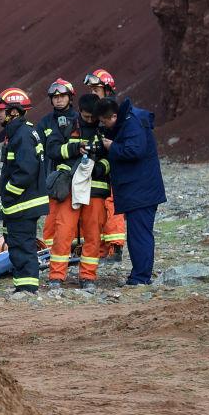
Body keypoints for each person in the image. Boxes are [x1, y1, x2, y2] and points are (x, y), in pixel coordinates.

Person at [96, 96, 166, 286]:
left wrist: (112, 147)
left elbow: (135, 150)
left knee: (139, 235)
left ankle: (140, 278)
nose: (105, 125)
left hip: (142, 191)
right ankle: (140, 275)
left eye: (104, 121)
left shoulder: (132, 123)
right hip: (140, 189)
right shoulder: (128, 121)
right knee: (139, 234)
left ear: (114, 116)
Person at [44, 93, 110, 291]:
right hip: (69, 188)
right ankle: (56, 276)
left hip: (95, 189)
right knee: (63, 232)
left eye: (93, 117)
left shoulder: (104, 129)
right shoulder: (66, 125)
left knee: (93, 234)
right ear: (79, 111)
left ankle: (88, 277)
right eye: (86, 117)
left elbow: (112, 157)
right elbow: (52, 149)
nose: (90, 120)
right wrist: (75, 148)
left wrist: (100, 167)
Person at [0, 87, 48, 296]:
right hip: (21, 203)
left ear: (13, 112)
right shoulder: (21, 132)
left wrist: (8, 192)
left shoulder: (22, 135)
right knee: (17, 243)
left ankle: (27, 288)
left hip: (23, 203)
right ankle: (23, 285)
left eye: (1, 110)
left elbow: (25, 171)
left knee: (22, 244)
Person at [84, 68, 126, 261]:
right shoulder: (94, 111)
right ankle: (102, 249)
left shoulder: (114, 113)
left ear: (107, 90)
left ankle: (115, 248)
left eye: (96, 89)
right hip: (98, 168)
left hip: (114, 168)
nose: (93, 93)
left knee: (112, 206)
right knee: (98, 209)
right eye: (91, 89)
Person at [36, 78, 77, 250]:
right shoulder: (45, 122)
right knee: (52, 216)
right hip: (51, 177)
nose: (58, 99)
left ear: (70, 97)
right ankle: (49, 250)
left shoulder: (79, 119)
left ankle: (73, 247)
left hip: (76, 176)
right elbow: (37, 149)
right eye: (54, 97)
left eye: (62, 96)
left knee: (73, 215)